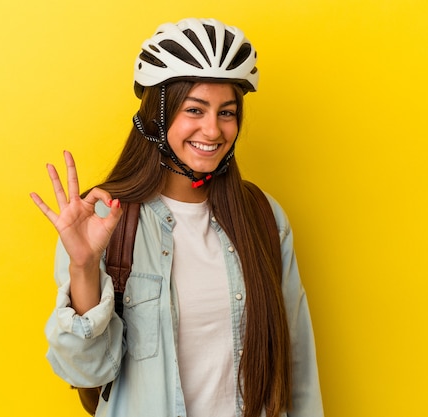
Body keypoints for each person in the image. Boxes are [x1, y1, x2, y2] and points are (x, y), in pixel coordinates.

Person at [30, 17, 324, 417]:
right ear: (159, 116)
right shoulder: (101, 220)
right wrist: (83, 266)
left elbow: (297, 364)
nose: (213, 129)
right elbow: (85, 373)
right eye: (194, 109)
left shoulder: (263, 217)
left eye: (227, 112)